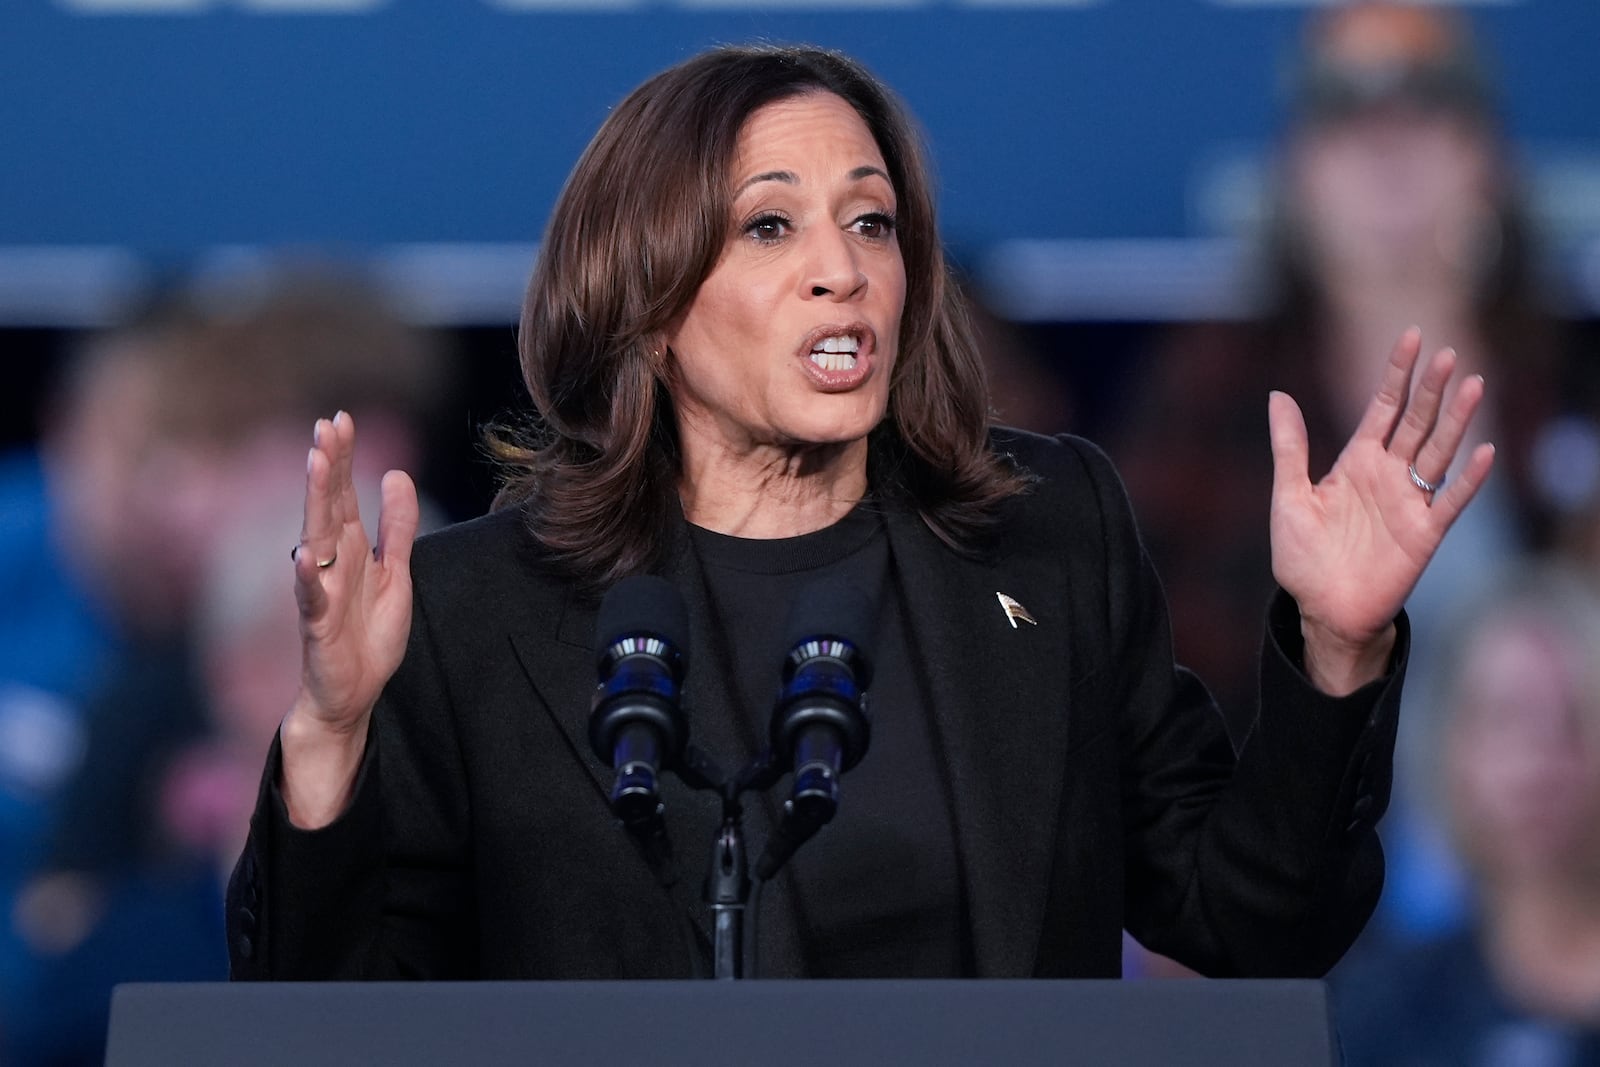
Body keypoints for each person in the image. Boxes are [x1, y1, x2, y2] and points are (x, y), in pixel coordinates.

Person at [227, 44, 1491, 982]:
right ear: (645, 293)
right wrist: (333, 733)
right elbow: (326, 1016)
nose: (843, 267)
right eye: (770, 225)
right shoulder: (477, 607)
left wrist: (1336, 649)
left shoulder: (1049, 534)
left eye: (872, 221)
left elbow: (1252, 916)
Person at [1332, 565, 1600, 1065]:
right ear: (1448, 751)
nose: (1539, 765)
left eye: (1572, 719)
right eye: (1506, 720)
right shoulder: (1384, 1011)